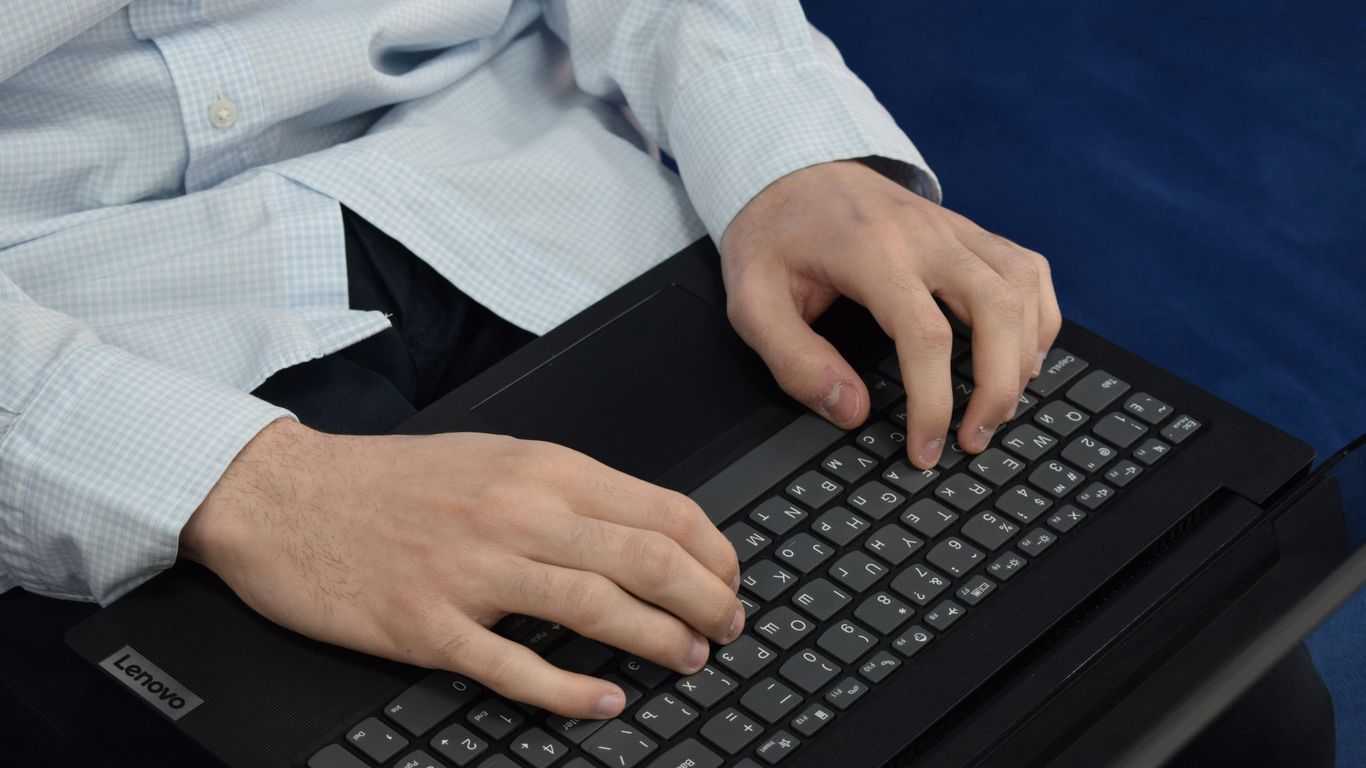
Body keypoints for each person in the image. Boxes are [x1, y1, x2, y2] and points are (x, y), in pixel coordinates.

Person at [0, 2, 1331, 765]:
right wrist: (242, 482)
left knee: (1210, 693)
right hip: (83, 321)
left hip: (524, 167)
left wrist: (783, 144)